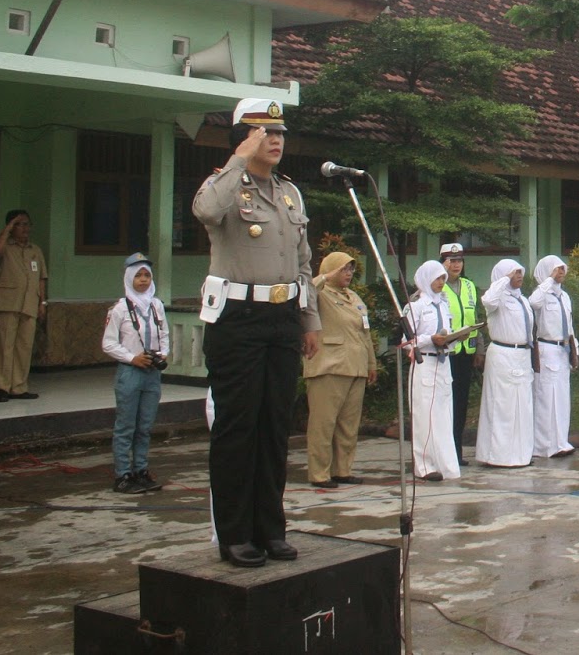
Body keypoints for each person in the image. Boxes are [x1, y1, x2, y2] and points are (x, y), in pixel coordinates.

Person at [192, 98, 321, 568]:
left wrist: (309, 322)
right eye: (264, 132)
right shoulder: (223, 186)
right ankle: (234, 534)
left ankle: (270, 528)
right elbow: (206, 212)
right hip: (237, 320)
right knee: (238, 427)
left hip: (283, 318)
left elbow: (304, 264)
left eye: (280, 132)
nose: (276, 139)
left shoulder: (290, 194)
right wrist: (237, 160)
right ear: (243, 139)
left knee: (273, 428)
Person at [303, 251, 377, 488]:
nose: (348, 274)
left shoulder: (353, 297)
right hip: (329, 367)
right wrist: (325, 276)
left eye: (351, 270)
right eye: (343, 269)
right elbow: (305, 292)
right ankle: (319, 473)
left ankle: (342, 470)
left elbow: (364, 332)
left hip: (355, 367)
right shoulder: (321, 293)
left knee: (348, 424)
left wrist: (371, 364)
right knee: (323, 424)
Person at [102, 253, 169, 494]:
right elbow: (108, 343)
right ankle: (123, 474)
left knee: (145, 425)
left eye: (147, 275)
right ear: (129, 278)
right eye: (138, 275)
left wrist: (162, 353)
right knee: (126, 426)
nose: (143, 280)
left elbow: (164, 335)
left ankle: (141, 470)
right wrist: (133, 358)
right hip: (130, 372)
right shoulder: (120, 308)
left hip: (151, 373)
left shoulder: (156, 305)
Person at [0, 209, 47, 402]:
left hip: (30, 303)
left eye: (27, 224)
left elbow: (42, 278)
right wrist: (8, 228)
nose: (25, 228)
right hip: (7, 303)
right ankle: (2, 387)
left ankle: (19, 387)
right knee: (3, 347)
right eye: (20, 224)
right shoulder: (6, 247)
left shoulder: (35, 250)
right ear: (11, 227)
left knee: (24, 347)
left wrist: (42, 302)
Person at [405, 259, 461, 482]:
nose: (441, 282)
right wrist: (431, 339)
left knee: (443, 415)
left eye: (443, 278)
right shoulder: (416, 306)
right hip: (424, 363)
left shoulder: (443, 304)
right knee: (424, 416)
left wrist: (455, 338)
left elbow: (447, 334)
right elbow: (407, 341)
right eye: (438, 278)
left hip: (443, 362)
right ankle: (424, 465)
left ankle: (444, 462)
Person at [476, 259, 535, 467]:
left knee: (522, 407)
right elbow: (488, 300)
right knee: (502, 407)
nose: (518, 276)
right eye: (513, 273)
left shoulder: (523, 300)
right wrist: (503, 280)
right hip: (503, 354)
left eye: (519, 272)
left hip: (522, 354)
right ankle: (498, 456)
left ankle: (521, 454)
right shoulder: (498, 298)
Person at [439, 242, 484, 465]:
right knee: (447, 403)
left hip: (467, 351)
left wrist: (479, 349)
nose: (456, 265)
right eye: (451, 261)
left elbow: (474, 318)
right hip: (447, 353)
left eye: (459, 261)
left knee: (461, 403)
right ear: (443, 263)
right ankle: (446, 452)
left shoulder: (468, 285)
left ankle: (456, 451)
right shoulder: (438, 286)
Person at [528, 254, 576, 458]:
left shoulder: (564, 296)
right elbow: (533, 302)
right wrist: (549, 280)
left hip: (563, 349)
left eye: (562, 268)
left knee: (562, 399)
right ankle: (544, 445)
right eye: (557, 269)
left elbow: (570, 325)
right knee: (546, 399)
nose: (561, 272)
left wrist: (575, 350)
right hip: (547, 349)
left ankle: (560, 441)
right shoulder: (542, 293)